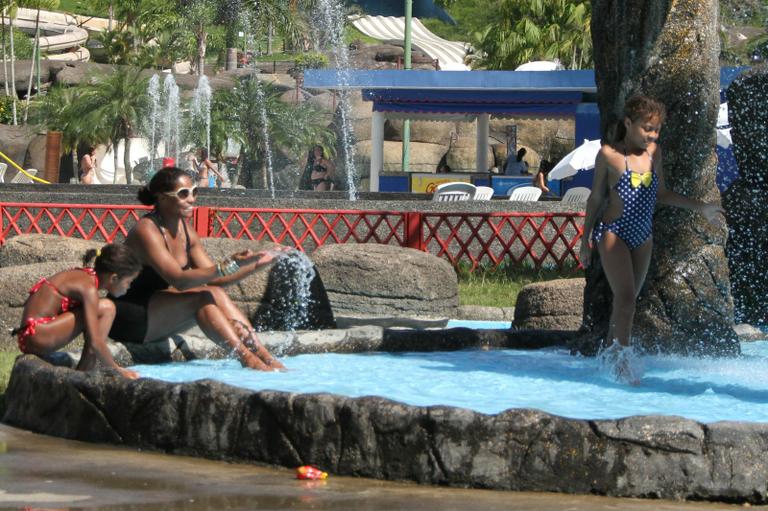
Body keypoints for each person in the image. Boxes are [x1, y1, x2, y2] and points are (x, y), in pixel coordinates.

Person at [579, 95, 723, 383]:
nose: (652, 135)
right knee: (626, 298)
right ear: (628, 123)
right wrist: (585, 241)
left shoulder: (653, 153)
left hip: (642, 236)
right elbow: (596, 199)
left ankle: (606, 363)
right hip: (613, 232)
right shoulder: (609, 155)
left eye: (656, 129)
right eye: (647, 128)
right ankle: (622, 365)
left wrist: (702, 208)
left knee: (627, 302)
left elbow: (662, 194)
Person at [108, 166, 288, 370]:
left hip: (159, 309)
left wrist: (256, 265)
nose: (192, 199)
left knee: (215, 292)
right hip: (128, 315)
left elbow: (216, 279)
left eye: (194, 192)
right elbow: (180, 280)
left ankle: (267, 358)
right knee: (202, 298)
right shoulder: (146, 230)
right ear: (162, 197)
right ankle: (248, 361)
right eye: (183, 194)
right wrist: (229, 264)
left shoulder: (186, 230)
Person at [12, 243, 142, 379]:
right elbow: (96, 342)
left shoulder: (86, 276)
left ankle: (84, 370)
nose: (128, 288)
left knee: (101, 308)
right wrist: (117, 370)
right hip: (36, 336)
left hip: (31, 336)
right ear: (114, 278)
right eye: (129, 282)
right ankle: (83, 373)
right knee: (107, 308)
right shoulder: (89, 289)